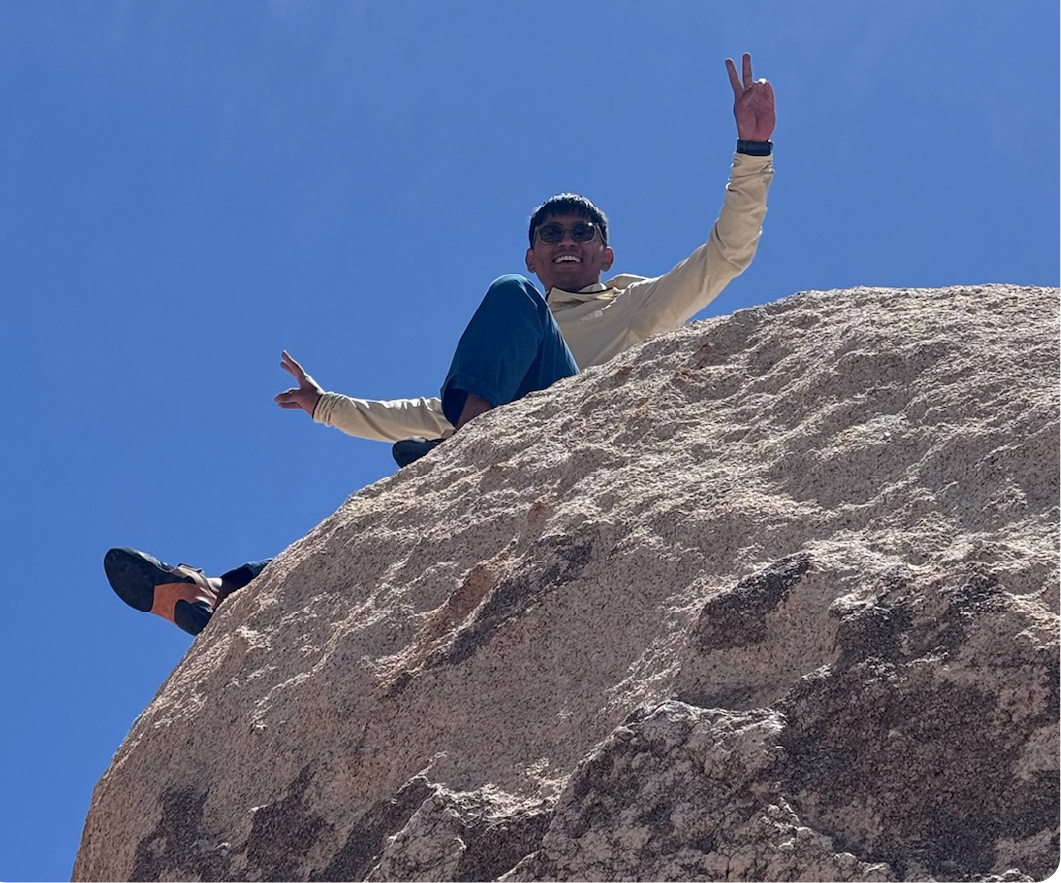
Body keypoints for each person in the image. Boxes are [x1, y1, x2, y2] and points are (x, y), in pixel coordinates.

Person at [105, 54, 776, 637]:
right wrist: (324, 406)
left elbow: (727, 253)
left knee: (505, 315)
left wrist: (751, 151)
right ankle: (213, 593)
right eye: (550, 232)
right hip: (496, 439)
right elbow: (426, 411)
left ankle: (468, 448)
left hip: (576, 445)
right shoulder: (518, 327)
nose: (565, 238)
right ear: (535, 252)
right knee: (380, 517)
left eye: (580, 228)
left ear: (604, 251)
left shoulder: (634, 303)